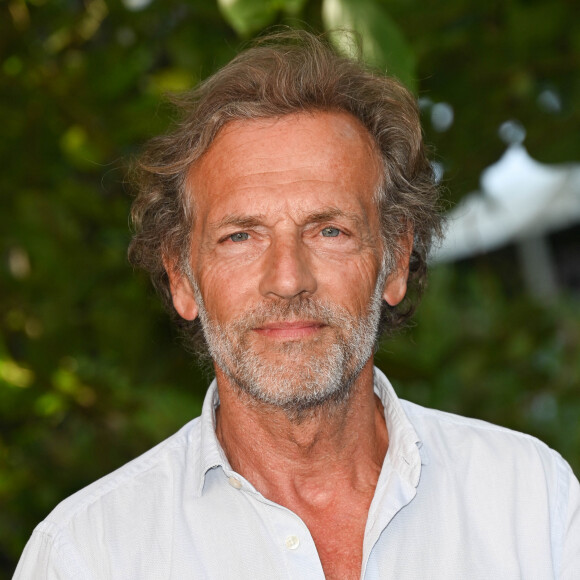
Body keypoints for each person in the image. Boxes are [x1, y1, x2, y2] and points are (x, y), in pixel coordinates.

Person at [14, 30, 579, 580]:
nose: (287, 280)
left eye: (329, 230)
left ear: (396, 260)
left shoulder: (533, 502)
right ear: (181, 277)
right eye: (240, 236)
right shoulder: (86, 557)